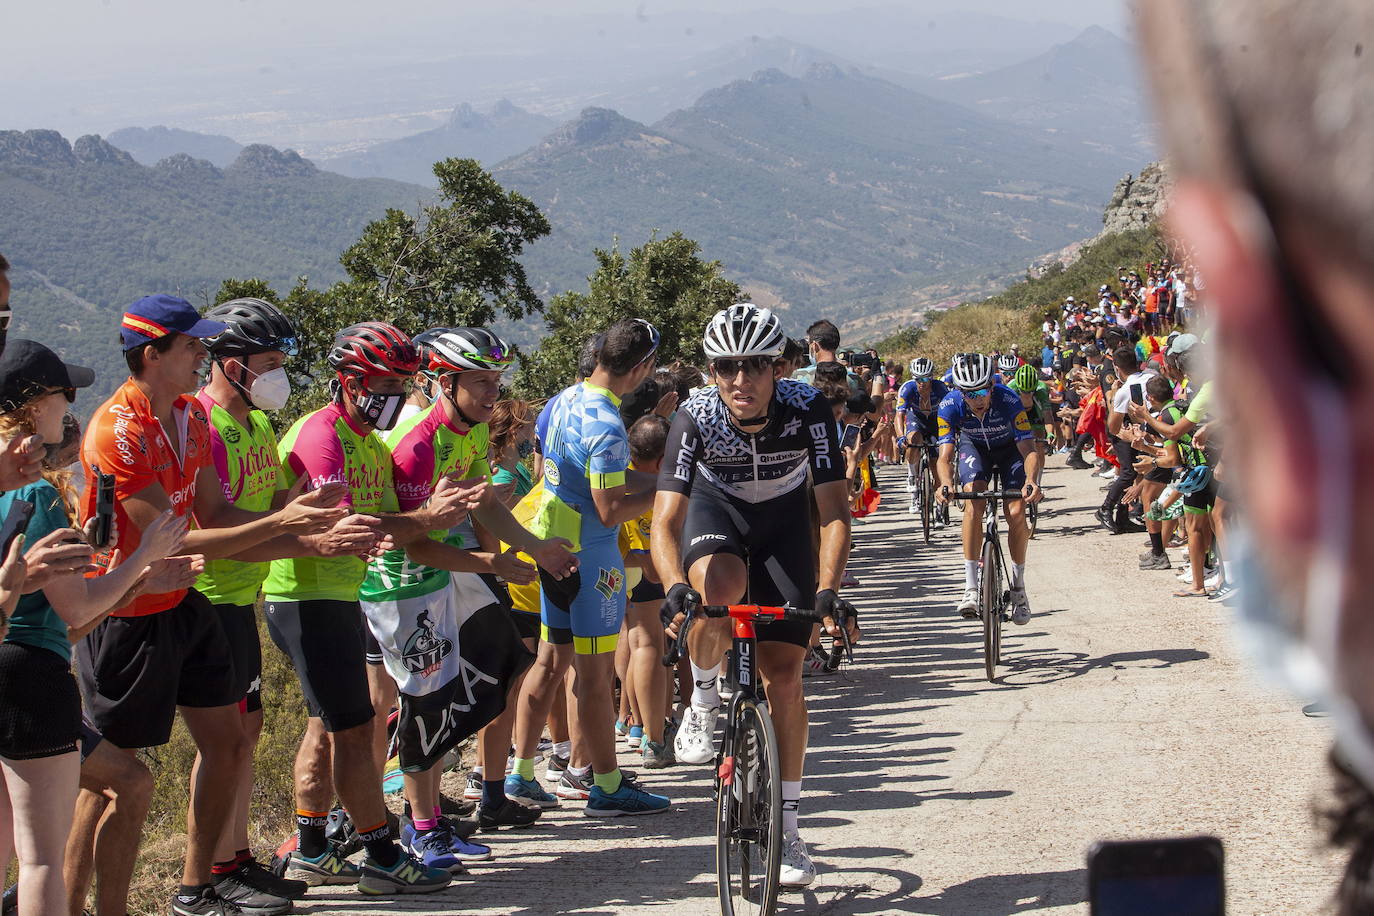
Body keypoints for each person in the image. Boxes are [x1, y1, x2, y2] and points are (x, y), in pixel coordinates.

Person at [75, 295, 352, 916]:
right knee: (107, 783)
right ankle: (70, 904)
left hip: (184, 600)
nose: (204, 355)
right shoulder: (119, 428)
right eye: (193, 346)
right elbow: (169, 537)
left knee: (228, 743)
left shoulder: (188, 418)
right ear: (153, 355)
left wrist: (308, 532)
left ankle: (198, 887)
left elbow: (218, 515)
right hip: (127, 611)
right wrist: (290, 519)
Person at [264, 321, 475, 896]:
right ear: (349, 380)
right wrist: (424, 519)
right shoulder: (321, 433)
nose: (393, 394)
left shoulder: (367, 443)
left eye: (404, 381)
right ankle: (382, 855)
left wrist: (448, 535)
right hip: (305, 596)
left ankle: (311, 846)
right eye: (383, 382)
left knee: (327, 727)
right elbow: (348, 524)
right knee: (357, 732)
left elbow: (395, 530)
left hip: (334, 594)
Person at [654, 303, 860, 887]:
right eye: (726, 368)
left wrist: (826, 591)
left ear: (777, 369)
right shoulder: (694, 417)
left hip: (785, 521)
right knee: (720, 587)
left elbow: (834, 510)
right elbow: (665, 520)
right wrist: (673, 586)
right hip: (716, 509)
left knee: (786, 678)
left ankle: (788, 831)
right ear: (712, 372)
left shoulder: (807, 408)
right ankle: (701, 697)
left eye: (753, 367)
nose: (740, 381)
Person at [0, 340, 183, 916]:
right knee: (40, 860)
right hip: (31, 677)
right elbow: (75, 611)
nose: (70, 406)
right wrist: (143, 558)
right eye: (61, 394)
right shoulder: (36, 493)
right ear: (33, 407)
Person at [508, 318, 667, 817]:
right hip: (595, 560)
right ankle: (607, 784)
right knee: (594, 679)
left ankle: (521, 773)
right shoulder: (607, 424)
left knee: (550, 662)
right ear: (641, 369)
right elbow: (609, 509)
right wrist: (663, 493)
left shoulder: (562, 400)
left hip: (552, 542)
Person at [933, 352, 1043, 623]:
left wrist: (1032, 481)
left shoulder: (1009, 400)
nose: (977, 398)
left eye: (982, 390)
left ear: (992, 385)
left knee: (1016, 512)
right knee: (973, 505)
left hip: (1010, 451)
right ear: (959, 391)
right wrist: (946, 483)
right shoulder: (948, 405)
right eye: (969, 393)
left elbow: (1028, 449)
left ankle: (1019, 589)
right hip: (975, 450)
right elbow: (945, 455)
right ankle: (971, 587)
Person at [895, 357, 948, 518]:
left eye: (925, 379)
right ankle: (912, 477)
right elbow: (899, 416)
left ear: (931, 377)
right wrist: (900, 437)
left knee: (936, 464)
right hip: (916, 419)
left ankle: (939, 506)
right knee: (913, 439)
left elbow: (950, 411)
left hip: (935, 421)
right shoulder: (907, 388)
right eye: (918, 379)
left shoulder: (940, 388)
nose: (922, 383)